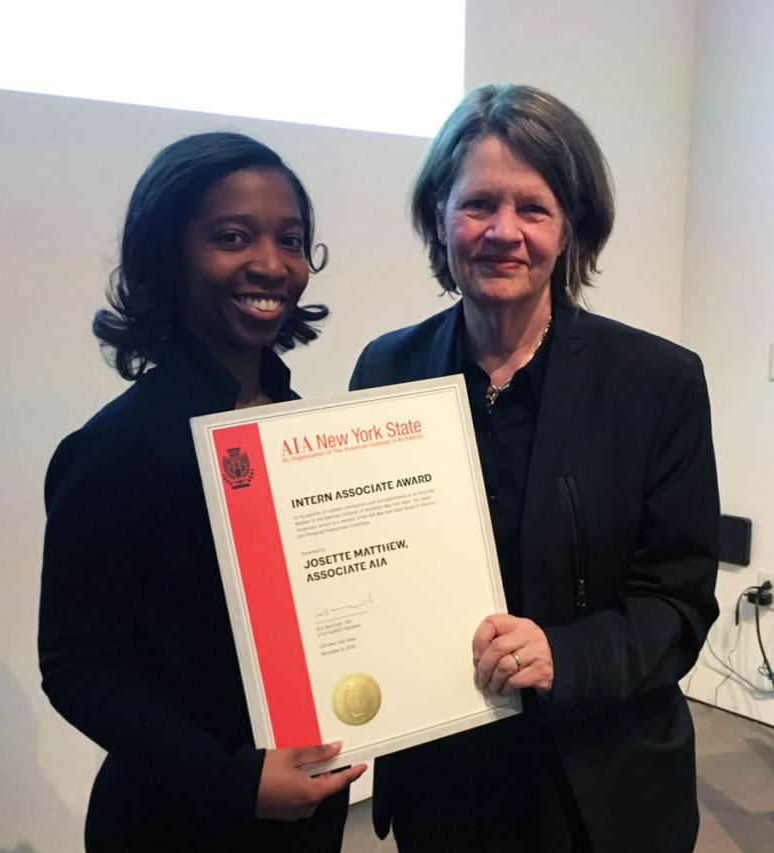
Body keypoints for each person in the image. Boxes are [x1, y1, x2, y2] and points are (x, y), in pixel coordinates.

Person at [350, 84, 720, 852]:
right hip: (443, 774)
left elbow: (677, 603)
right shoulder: (387, 368)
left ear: (571, 227)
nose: (503, 232)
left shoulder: (656, 381)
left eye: (533, 207)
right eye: (478, 203)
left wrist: (564, 655)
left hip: (596, 779)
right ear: (438, 215)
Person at [39, 131, 365, 852]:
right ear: (169, 252)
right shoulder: (117, 448)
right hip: (175, 818)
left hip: (307, 807)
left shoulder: (310, 432)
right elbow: (79, 664)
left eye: (291, 239)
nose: (271, 264)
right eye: (232, 236)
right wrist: (232, 779)